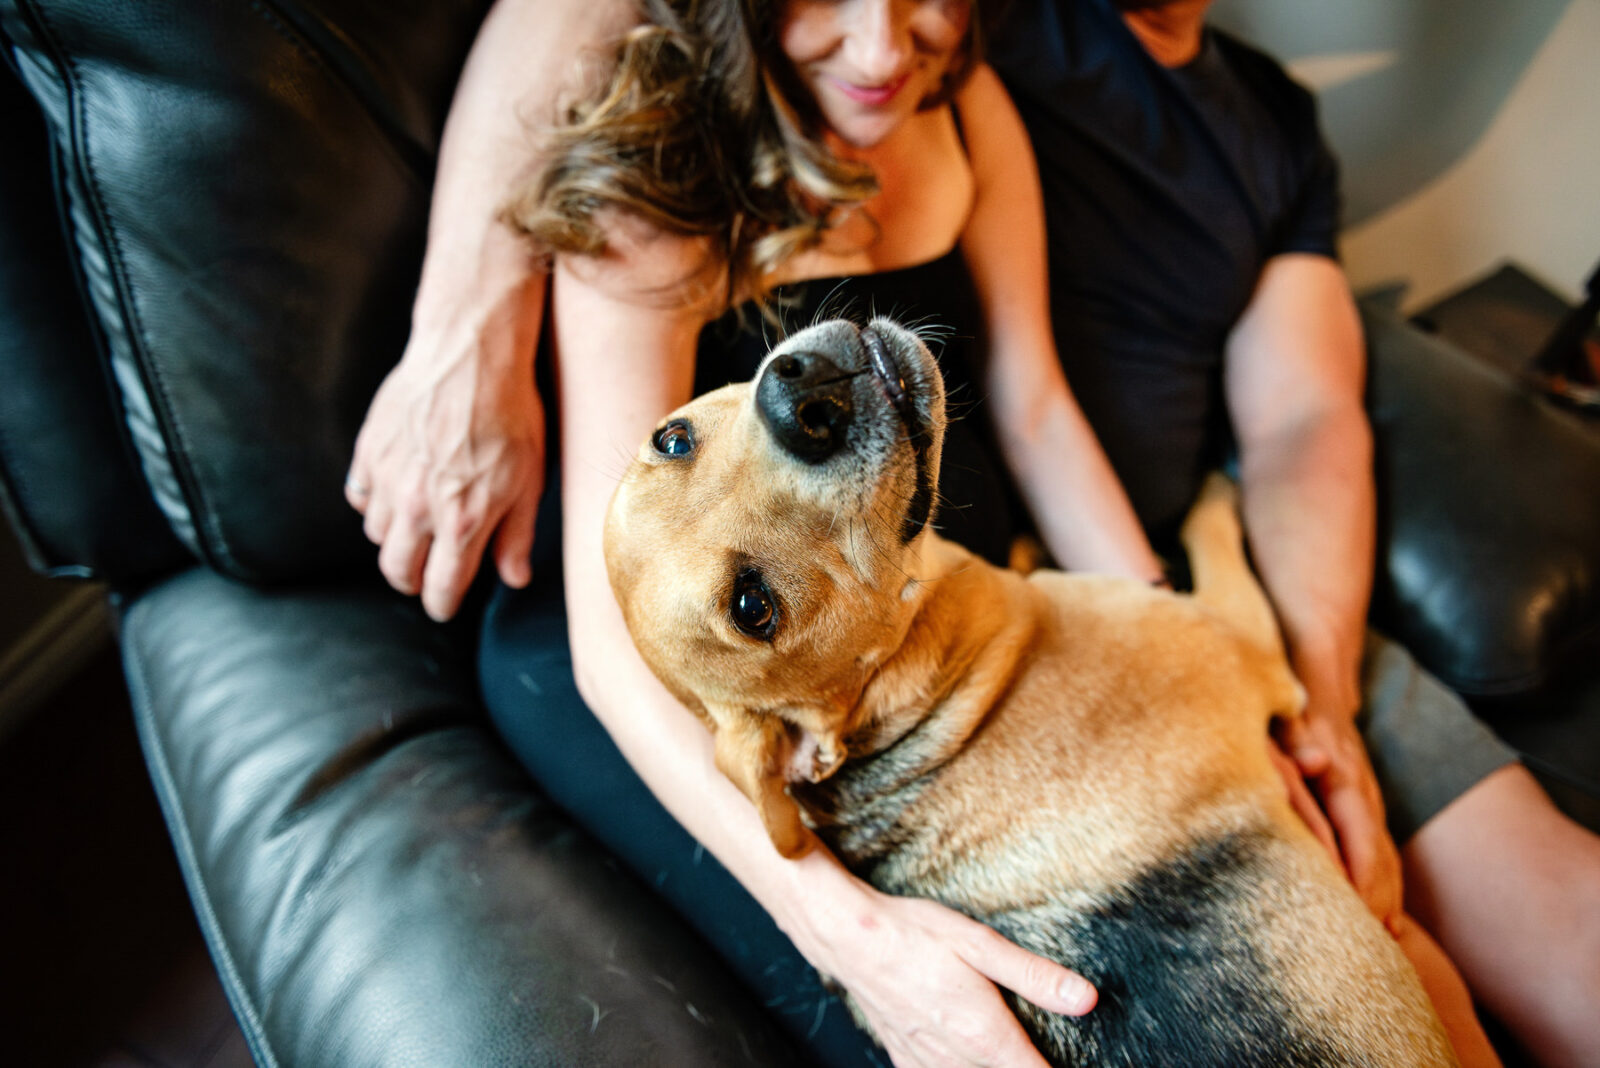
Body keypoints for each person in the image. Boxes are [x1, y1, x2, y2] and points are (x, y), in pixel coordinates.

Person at [340, 2, 1567, 1066]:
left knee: (1412, 968)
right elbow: (615, 645)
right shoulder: (669, 166)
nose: (885, 44)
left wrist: (1159, 633)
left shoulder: (972, 104)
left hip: (945, 621)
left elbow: (1033, 406)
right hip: (690, 673)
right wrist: (848, 937)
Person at [981, 2, 1600, 1066]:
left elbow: (1303, 421)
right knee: (1389, 987)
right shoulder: (961, 34)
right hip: (1040, 615)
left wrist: (1323, 706)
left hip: (1231, 583)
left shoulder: (1273, 122)